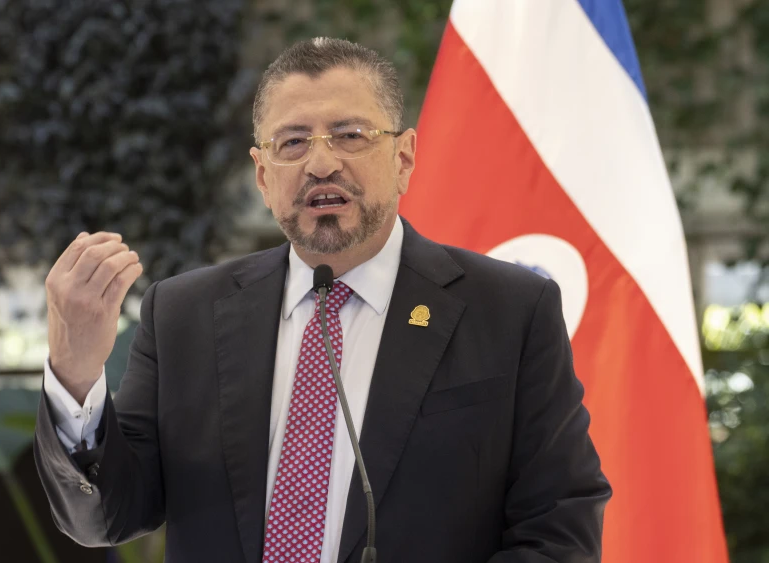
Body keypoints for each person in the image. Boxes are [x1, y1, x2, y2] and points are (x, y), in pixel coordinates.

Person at [33, 37, 611, 563]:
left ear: (404, 158)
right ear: (263, 177)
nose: (321, 162)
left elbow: (558, 530)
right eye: (292, 142)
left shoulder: (510, 311)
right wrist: (78, 372)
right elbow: (108, 516)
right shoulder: (183, 314)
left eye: (350, 135)